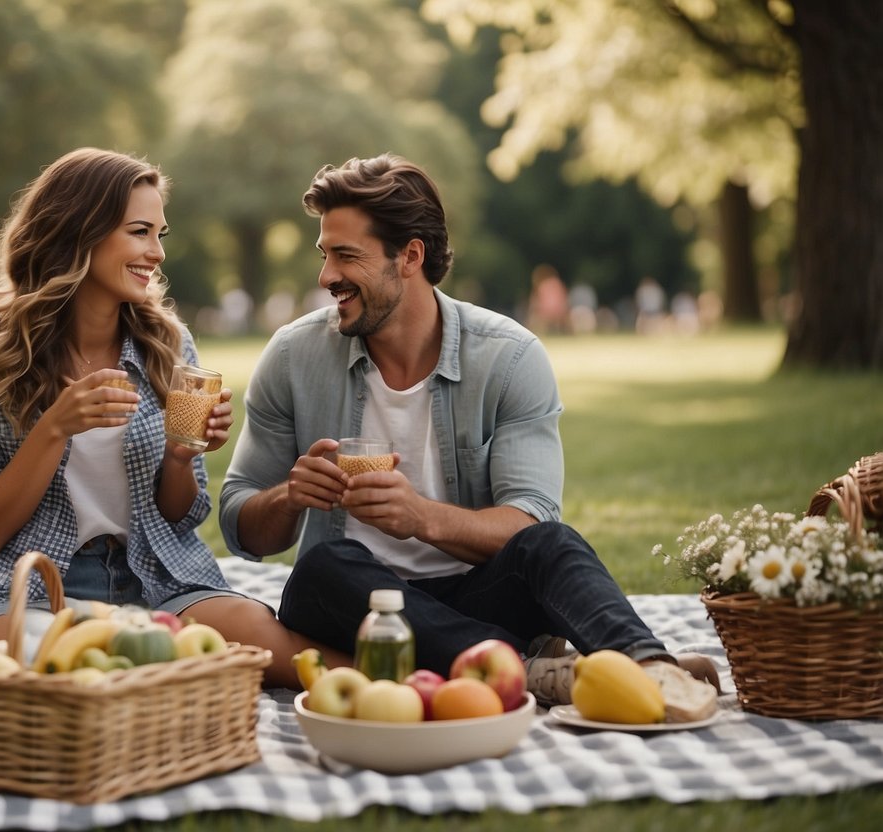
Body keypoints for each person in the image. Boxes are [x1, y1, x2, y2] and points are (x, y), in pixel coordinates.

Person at [218, 153, 719, 703]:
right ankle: (537, 672)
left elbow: (529, 518)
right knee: (320, 568)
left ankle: (652, 669)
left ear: (410, 256)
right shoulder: (294, 356)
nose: (326, 275)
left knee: (551, 543)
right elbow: (241, 525)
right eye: (325, 254)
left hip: (480, 595)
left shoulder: (508, 357)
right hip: (359, 605)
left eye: (346, 255)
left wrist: (420, 518)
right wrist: (290, 497)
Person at [0, 147, 339, 688]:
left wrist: (180, 456)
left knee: (262, 638)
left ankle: (412, 683)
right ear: (80, 231)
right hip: (34, 588)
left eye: (160, 234)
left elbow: (180, 514)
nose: (156, 253)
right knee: (48, 673)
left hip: (156, 576)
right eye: (139, 232)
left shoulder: (168, 345)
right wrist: (55, 427)